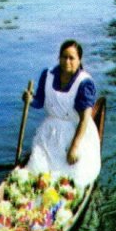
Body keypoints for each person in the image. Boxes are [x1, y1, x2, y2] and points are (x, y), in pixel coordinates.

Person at [23, 39, 101, 188]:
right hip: (51, 131)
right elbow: (39, 101)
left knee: (73, 179)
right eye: (64, 57)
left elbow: (84, 119)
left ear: (79, 60)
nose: (67, 61)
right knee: (37, 171)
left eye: (72, 58)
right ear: (58, 57)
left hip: (76, 131)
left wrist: (74, 147)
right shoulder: (48, 75)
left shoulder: (84, 83)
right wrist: (30, 100)